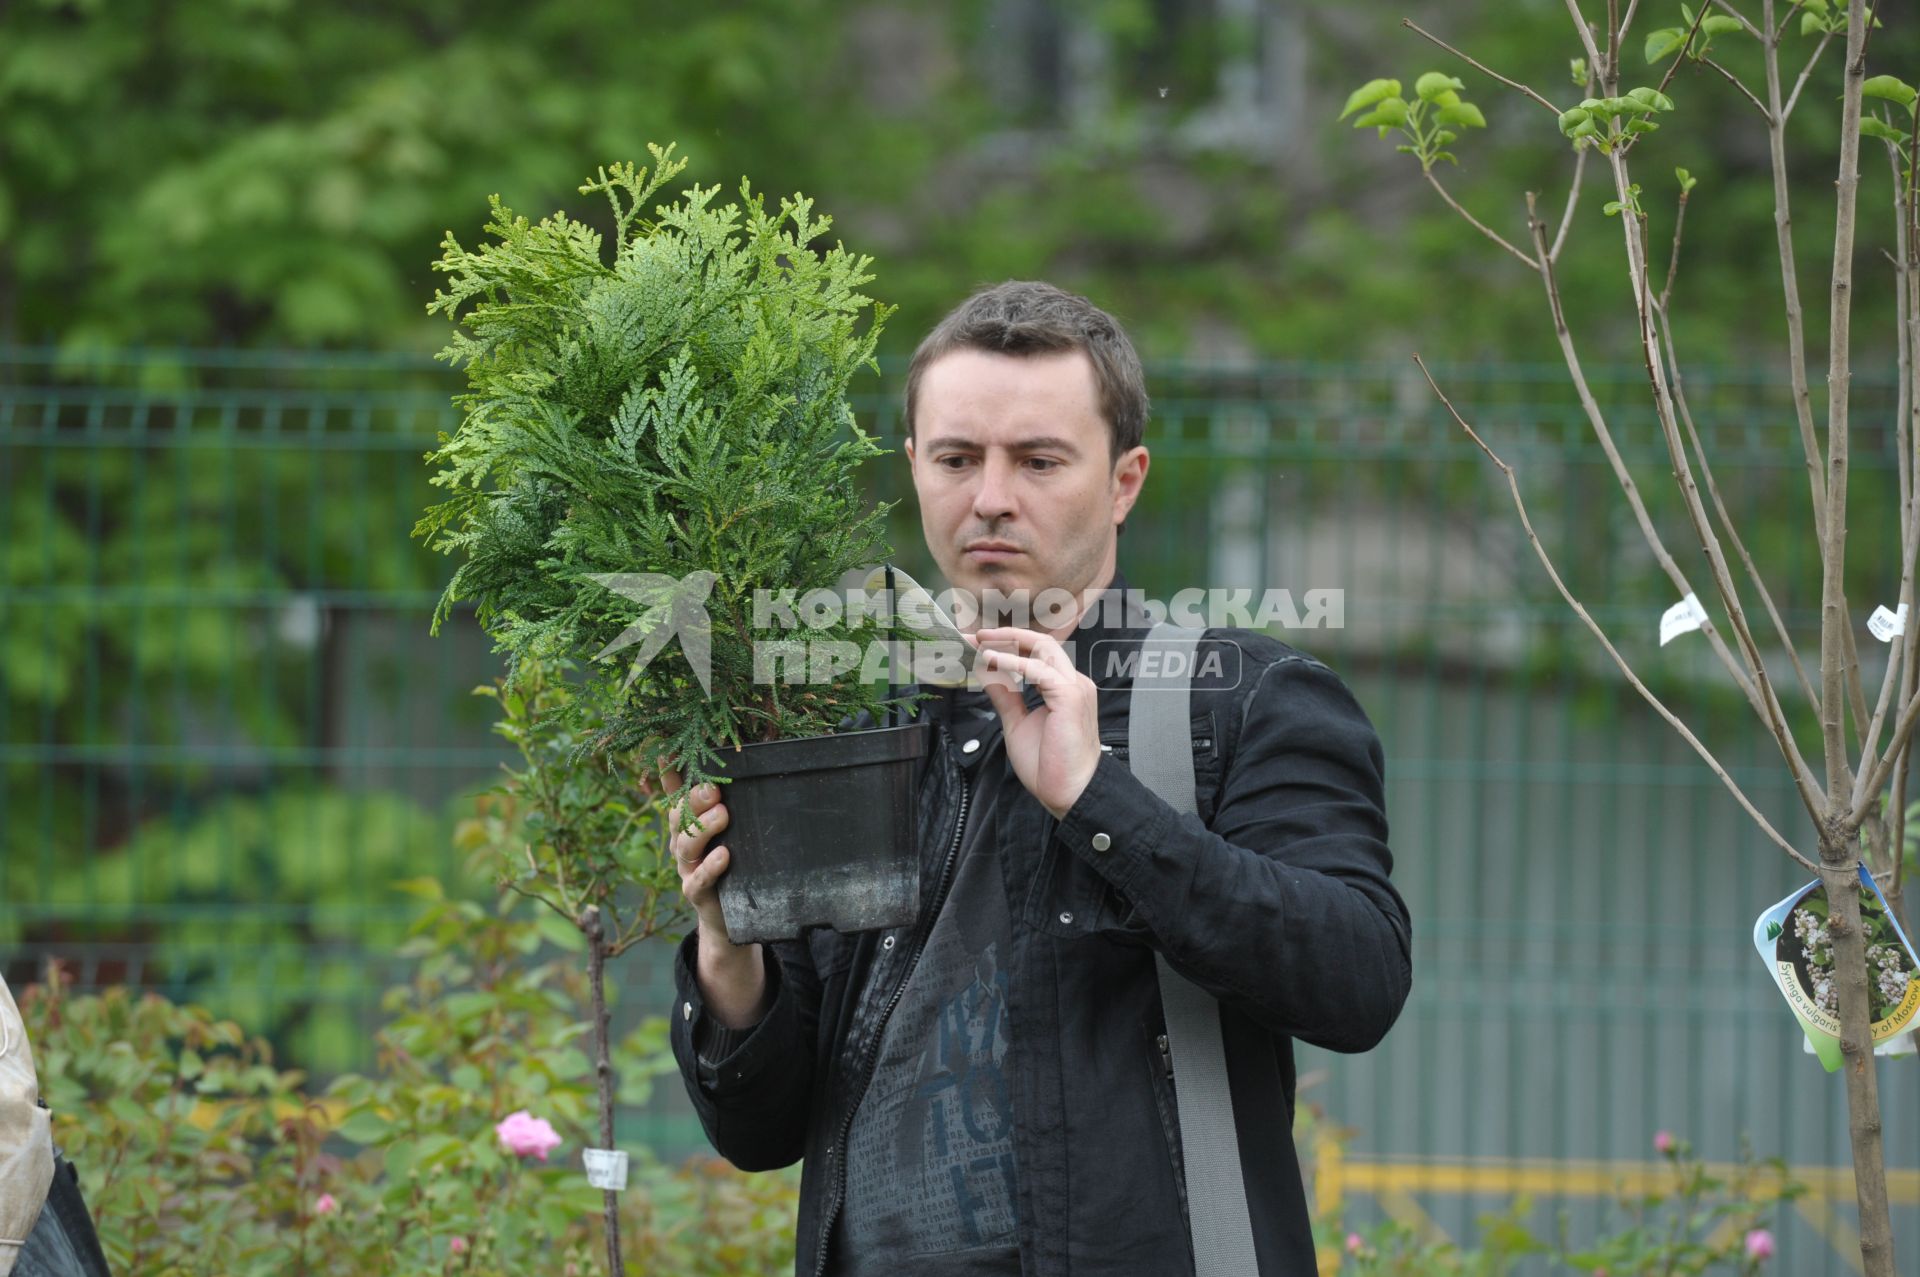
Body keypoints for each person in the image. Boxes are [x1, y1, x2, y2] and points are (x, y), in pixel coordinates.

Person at [664, 280, 1411, 1276]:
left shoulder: (1246, 698)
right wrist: (728, 947)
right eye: (957, 456)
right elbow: (760, 1130)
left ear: (1125, 479)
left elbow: (1357, 978)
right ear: (915, 467)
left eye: (1040, 459)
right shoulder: (857, 720)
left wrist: (1096, 799)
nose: (991, 496)